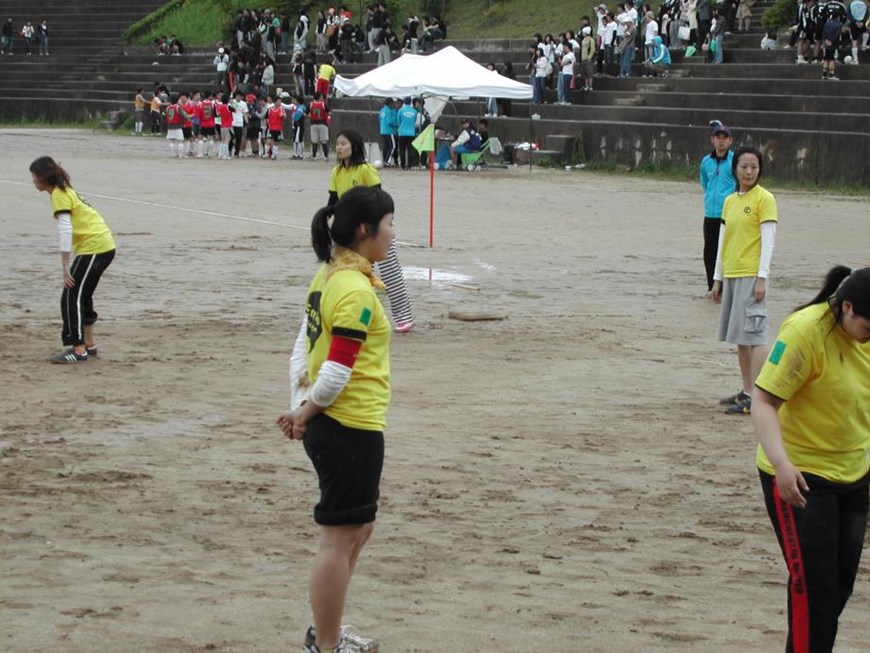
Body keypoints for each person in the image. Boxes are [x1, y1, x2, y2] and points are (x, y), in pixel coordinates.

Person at [277, 186, 396, 653]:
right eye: (389, 224)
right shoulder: (353, 289)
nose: (393, 233)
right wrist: (305, 411)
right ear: (365, 229)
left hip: (338, 422)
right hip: (347, 426)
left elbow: (301, 347)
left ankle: (327, 630)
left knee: (357, 530)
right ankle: (326, 645)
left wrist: (300, 407)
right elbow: (335, 371)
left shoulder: (329, 274)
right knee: (339, 538)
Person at [752, 265, 870, 653]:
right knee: (813, 587)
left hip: (854, 472)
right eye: (868, 327)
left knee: (839, 585)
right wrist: (781, 465)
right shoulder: (805, 332)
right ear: (847, 307)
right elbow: (763, 402)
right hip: (799, 476)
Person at [29, 156, 116, 364]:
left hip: (95, 247)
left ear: (43, 177)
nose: (33, 181)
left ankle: (78, 349)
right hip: (99, 247)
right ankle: (89, 344)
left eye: (34, 176)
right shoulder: (63, 191)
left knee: (71, 296)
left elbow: (65, 229)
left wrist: (65, 265)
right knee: (82, 296)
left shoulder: (60, 194)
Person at [711, 146, 777, 415]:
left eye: (754, 167)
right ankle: (747, 389)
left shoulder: (765, 199)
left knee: (756, 336)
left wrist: (762, 277)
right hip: (732, 273)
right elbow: (722, 241)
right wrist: (717, 278)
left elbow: (768, 241)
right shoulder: (729, 201)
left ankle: (758, 396)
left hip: (751, 275)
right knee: (740, 337)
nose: (749, 172)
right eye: (744, 167)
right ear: (735, 169)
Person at [328, 129, 415, 332]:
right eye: (338, 144)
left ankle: (404, 317)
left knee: (390, 271)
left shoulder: (366, 170)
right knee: (357, 274)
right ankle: (363, 316)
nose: (339, 148)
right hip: (355, 233)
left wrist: (381, 228)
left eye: (343, 144)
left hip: (376, 228)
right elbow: (333, 202)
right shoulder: (336, 172)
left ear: (355, 146)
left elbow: (379, 199)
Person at [699, 121, 735, 294]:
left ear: (730, 140)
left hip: (728, 214)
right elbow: (705, 183)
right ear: (712, 139)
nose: (721, 141)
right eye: (718, 137)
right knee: (709, 252)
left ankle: (726, 288)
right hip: (710, 214)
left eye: (724, 137)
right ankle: (711, 287)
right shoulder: (706, 162)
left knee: (726, 252)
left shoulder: (735, 161)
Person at [395, 97, 418, 170]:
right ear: (410, 102)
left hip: (402, 133)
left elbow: (398, 121)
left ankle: (403, 165)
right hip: (411, 133)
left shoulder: (400, 111)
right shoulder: (414, 111)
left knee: (402, 150)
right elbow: (414, 121)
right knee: (410, 150)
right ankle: (410, 165)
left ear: (404, 102)